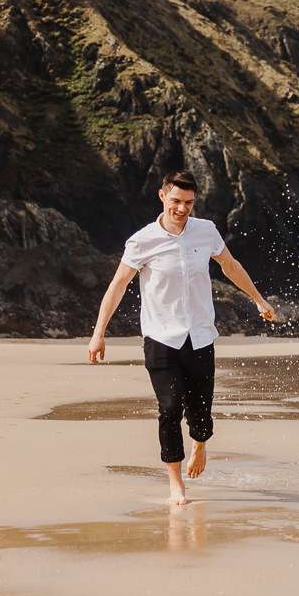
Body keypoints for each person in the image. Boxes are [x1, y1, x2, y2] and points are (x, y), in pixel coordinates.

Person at [87, 170, 277, 506]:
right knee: (170, 408)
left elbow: (229, 265)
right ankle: (176, 484)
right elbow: (118, 286)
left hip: (200, 336)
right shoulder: (142, 240)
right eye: (176, 201)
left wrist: (258, 299)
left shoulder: (205, 231)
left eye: (188, 202)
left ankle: (200, 443)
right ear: (162, 197)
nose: (181, 208)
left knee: (201, 415)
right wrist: (98, 334)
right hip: (161, 338)